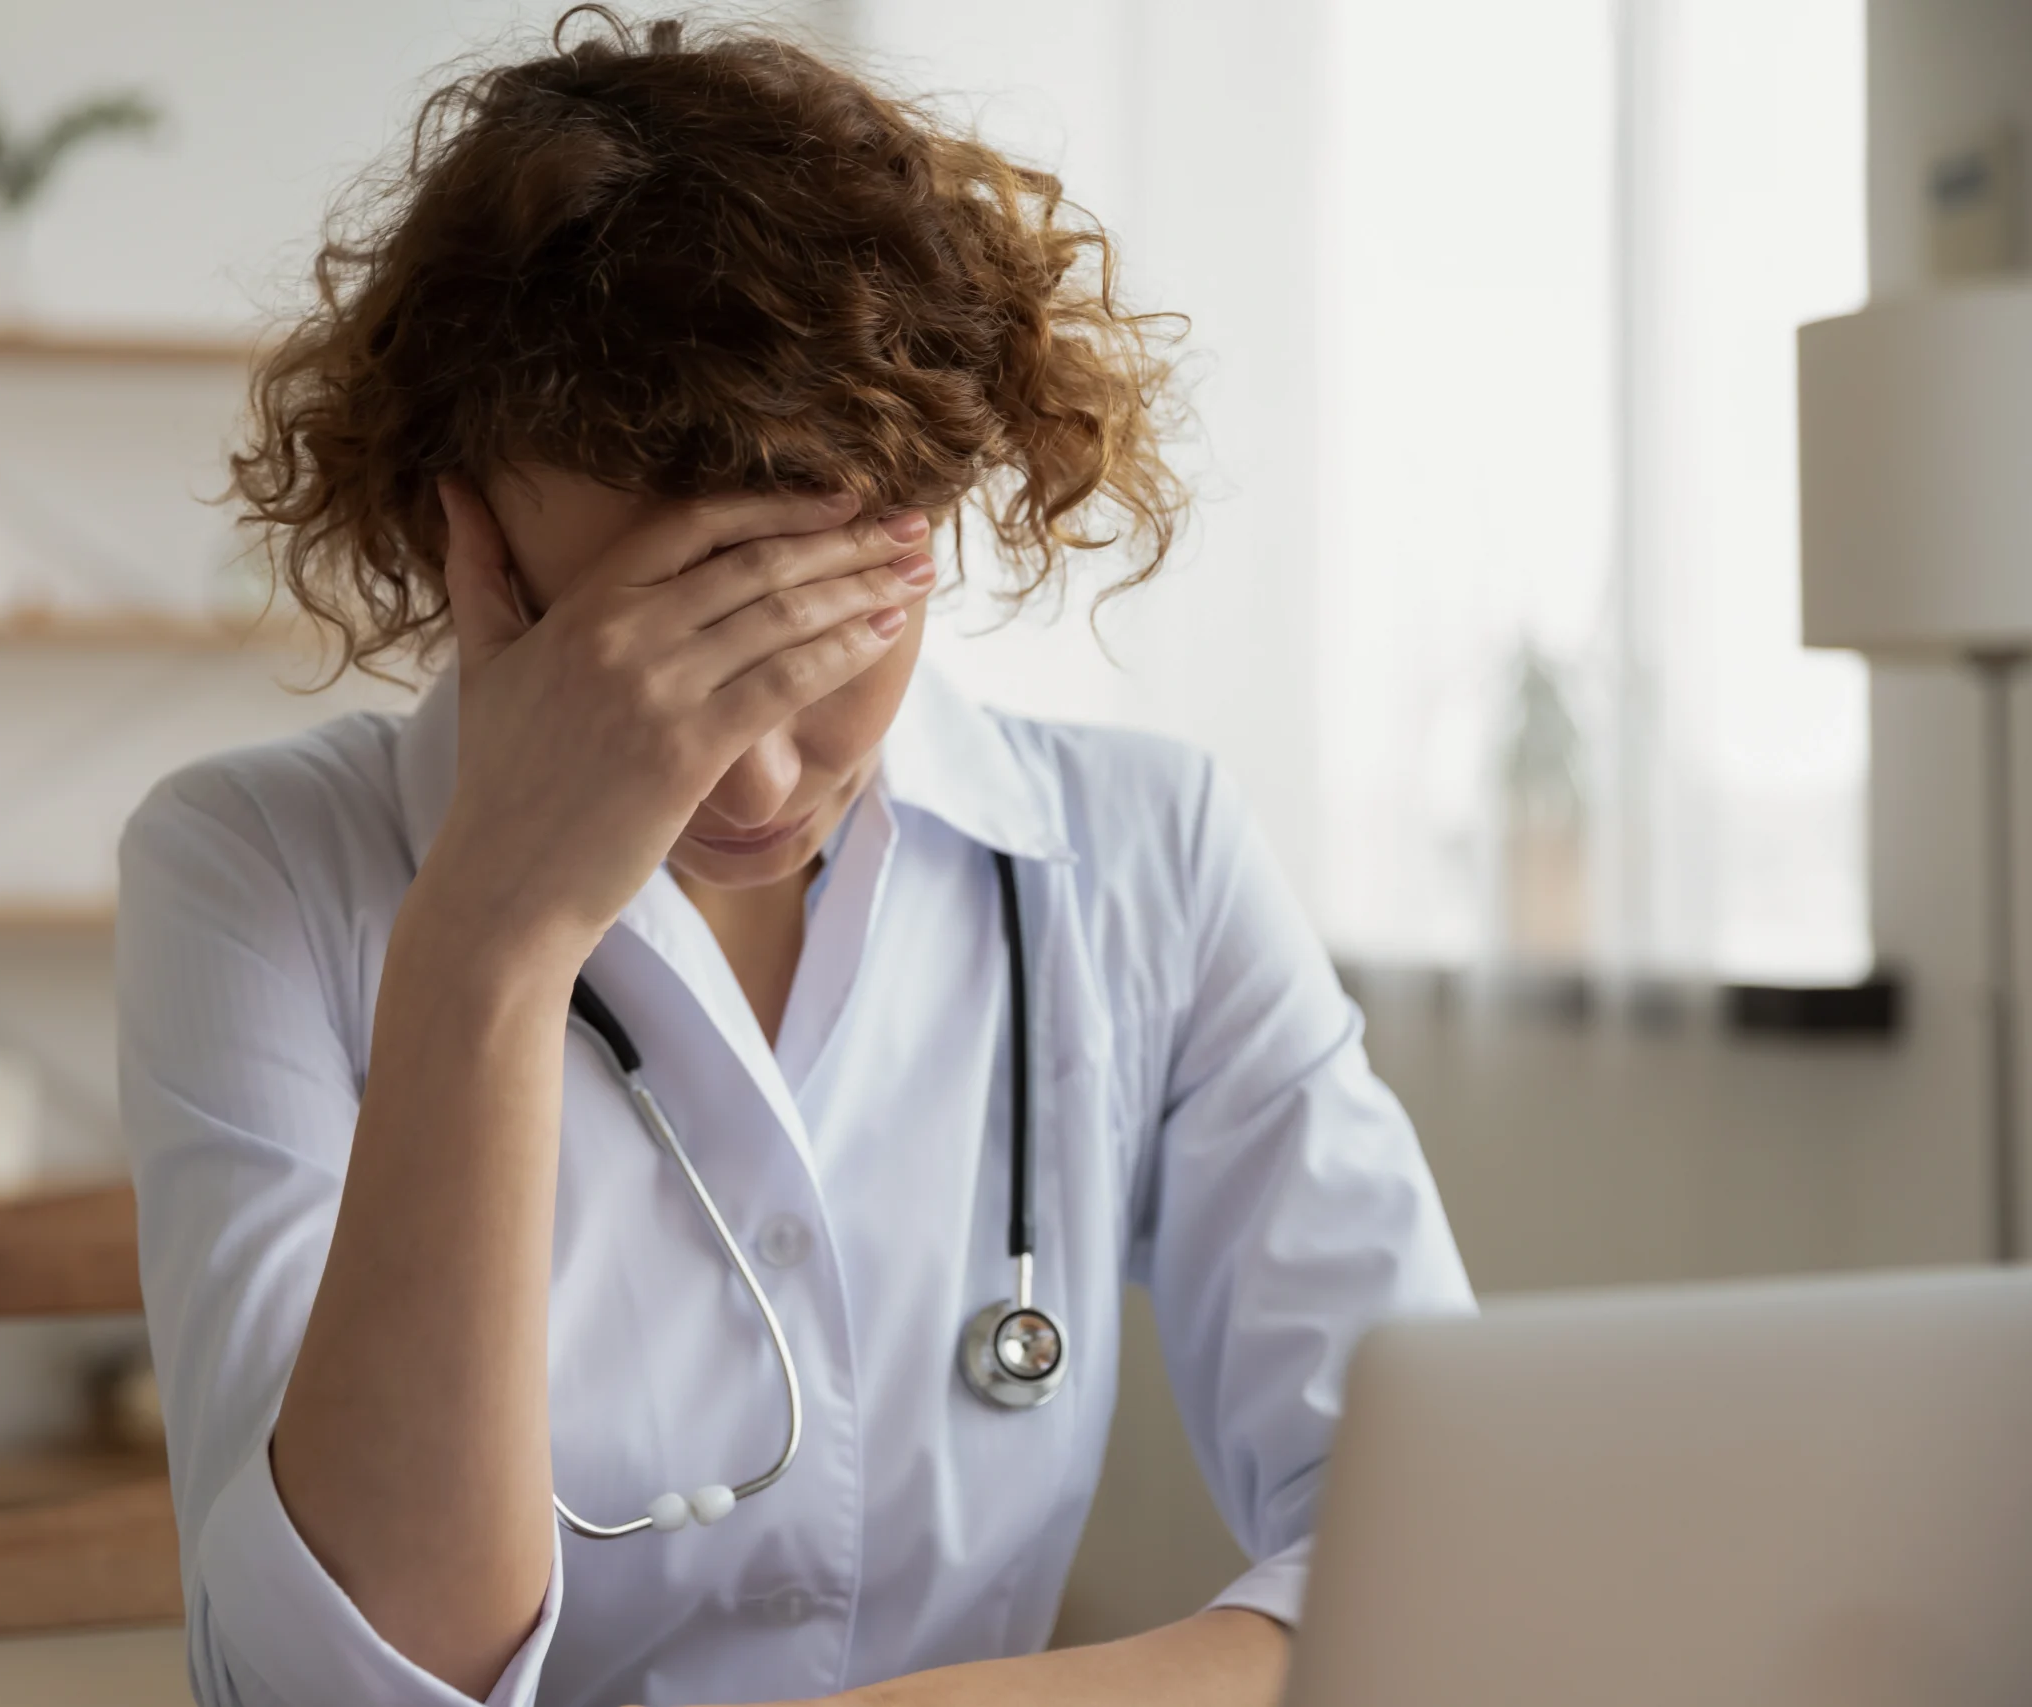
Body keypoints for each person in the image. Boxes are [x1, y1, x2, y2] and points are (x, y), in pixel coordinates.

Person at [117, 11, 1473, 1707]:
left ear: (939, 503)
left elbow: (1439, 1548)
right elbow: (341, 1688)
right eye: (651, 661)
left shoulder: (1149, 859)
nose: (753, 771)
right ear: (465, 542)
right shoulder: (254, 873)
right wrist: (491, 940)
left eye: (819, 633)